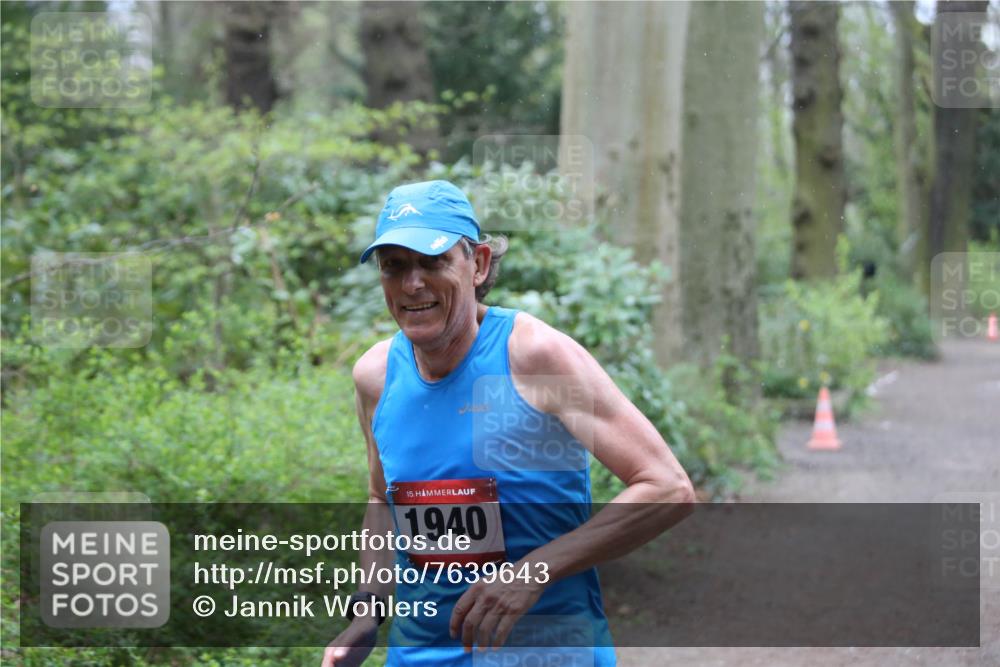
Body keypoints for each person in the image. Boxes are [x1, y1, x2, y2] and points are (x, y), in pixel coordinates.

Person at [322, 180, 694, 667]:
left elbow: (667, 487)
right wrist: (367, 610)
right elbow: (381, 499)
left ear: (477, 264)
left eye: (432, 262)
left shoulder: (533, 357)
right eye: (394, 266)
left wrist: (532, 572)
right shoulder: (376, 376)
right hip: (419, 654)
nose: (412, 284)